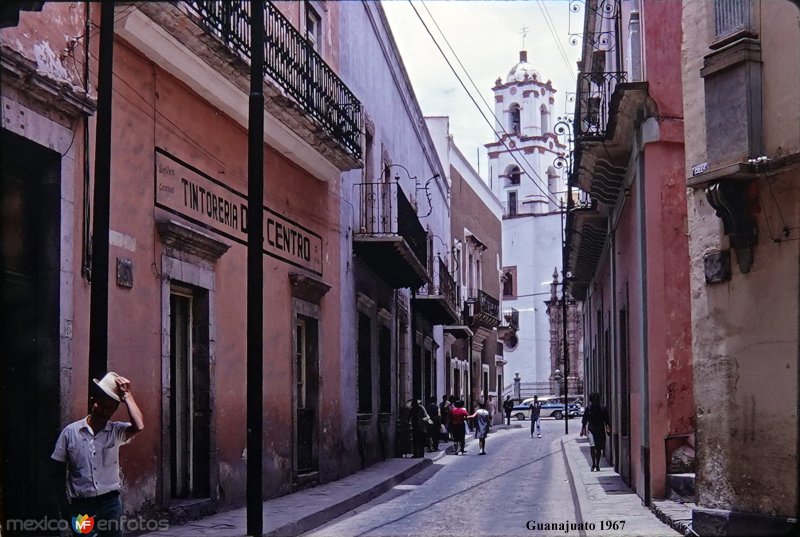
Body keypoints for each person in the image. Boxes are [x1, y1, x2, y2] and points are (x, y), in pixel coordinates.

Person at [52, 372, 144, 537]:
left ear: (114, 410)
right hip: (81, 507)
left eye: (109, 408)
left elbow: (139, 426)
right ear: (93, 402)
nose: (103, 411)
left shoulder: (116, 431)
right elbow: (58, 470)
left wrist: (127, 396)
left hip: (110, 504)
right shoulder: (70, 432)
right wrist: (64, 504)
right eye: (101, 405)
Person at [580, 392, 611, 471]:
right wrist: (582, 430)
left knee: (598, 448)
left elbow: (607, 420)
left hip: (600, 430)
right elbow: (584, 420)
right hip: (591, 430)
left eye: (596, 400)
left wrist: (608, 428)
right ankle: (593, 463)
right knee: (592, 447)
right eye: (593, 400)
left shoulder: (603, 409)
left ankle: (597, 464)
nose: (595, 401)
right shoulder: (589, 409)